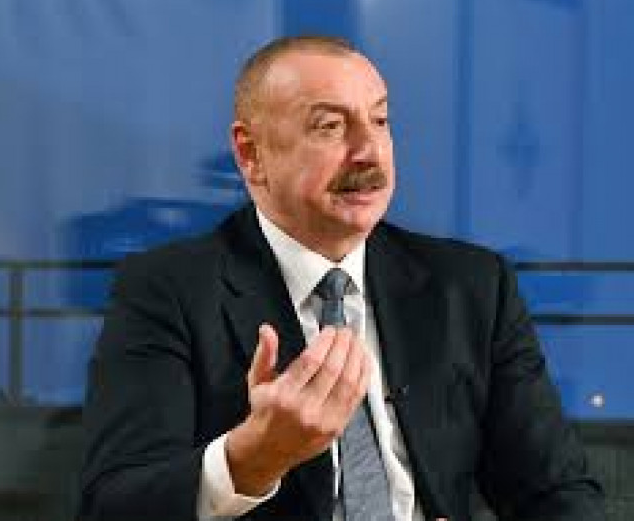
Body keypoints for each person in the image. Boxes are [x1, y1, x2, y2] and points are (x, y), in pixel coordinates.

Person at [78, 35, 605, 521]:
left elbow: (557, 493)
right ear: (251, 153)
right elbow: (113, 504)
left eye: (380, 120)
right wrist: (253, 458)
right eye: (329, 126)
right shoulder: (166, 290)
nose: (369, 152)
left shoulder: (472, 286)